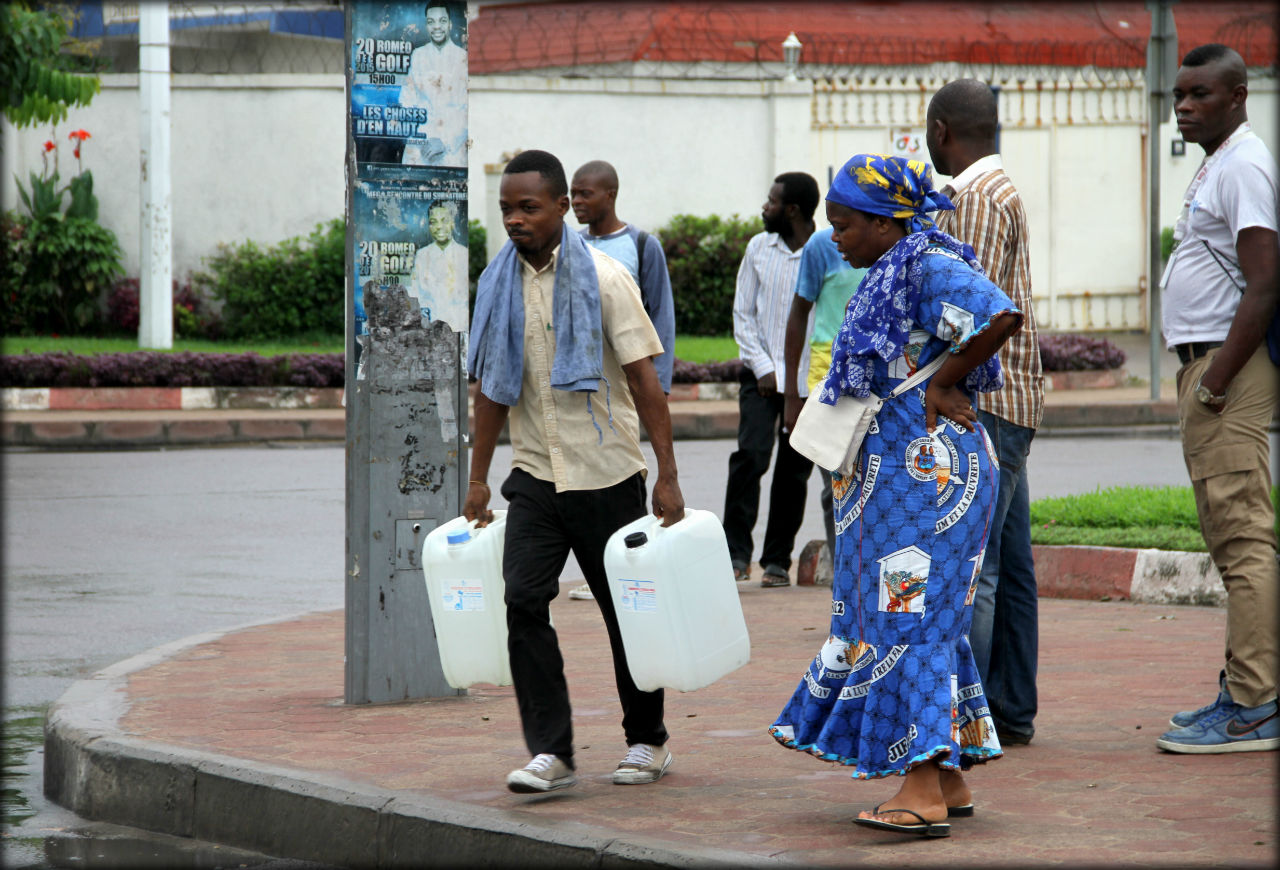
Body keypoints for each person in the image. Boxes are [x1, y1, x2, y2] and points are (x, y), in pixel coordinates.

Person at [769, 154, 1022, 838]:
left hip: (926, 483)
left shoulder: (925, 261)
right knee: (914, 619)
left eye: (845, 223)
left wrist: (945, 385)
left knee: (906, 621)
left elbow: (998, 314)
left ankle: (919, 790)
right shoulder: (896, 266)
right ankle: (946, 775)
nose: (835, 237)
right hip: (896, 483)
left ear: (885, 223)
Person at [465, 150, 686, 793]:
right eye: (506, 208)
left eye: (528, 207)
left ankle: (648, 740)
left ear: (562, 207)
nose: (514, 219)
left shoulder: (608, 278)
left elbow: (647, 382)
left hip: (607, 473)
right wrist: (479, 478)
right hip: (535, 474)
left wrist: (666, 476)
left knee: (627, 615)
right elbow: (491, 394)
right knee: (523, 599)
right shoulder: (495, 284)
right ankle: (551, 751)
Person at [1154, 43, 1280, 755]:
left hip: (1227, 372)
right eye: (1179, 95)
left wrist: (1217, 381)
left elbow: (1265, 281)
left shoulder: (1246, 167)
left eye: (1200, 94)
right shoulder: (1220, 162)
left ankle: (1257, 705)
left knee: (1243, 538)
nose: (1184, 106)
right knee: (1230, 535)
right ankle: (1243, 690)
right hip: (1211, 368)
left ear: (1237, 95)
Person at [926, 78, 1044, 747]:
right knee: (1012, 564)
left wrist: (944, 381)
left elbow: (974, 312)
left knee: (977, 565)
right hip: (1014, 399)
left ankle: (965, 723)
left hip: (985, 401)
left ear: (943, 130)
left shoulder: (971, 196)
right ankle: (1010, 708)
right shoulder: (1001, 189)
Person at [562, 160, 677, 602]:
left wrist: (659, 383)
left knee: (627, 468)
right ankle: (602, 567)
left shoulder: (641, 245)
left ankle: (630, 565)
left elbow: (660, 316)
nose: (577, 202)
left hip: (634, 380)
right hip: (591, 380)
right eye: (573, 194)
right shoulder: (569, 245)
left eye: (586, 194)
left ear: (610, 194)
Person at [724, 172, 819, 588]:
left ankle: (777, 560)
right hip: (760, 377)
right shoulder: (759, 248)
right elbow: (742, 313)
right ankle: (736, 554)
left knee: (793, 469)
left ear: (792, 210)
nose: (765, 207)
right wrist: (762, 366)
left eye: (772, 201)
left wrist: (798, 381)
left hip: (807, 381)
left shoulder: (827, 249)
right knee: (751, 456)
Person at [783, 229, 867, 571]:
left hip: (879, 374)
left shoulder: (897, 238)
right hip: (828, 375)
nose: (838, 235)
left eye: (845, 223)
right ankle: (844, 588)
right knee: (836, 486)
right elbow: (799, 311)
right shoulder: (821, 245)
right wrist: (792, 394)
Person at [399, 3, 467, 167]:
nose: (437, 27)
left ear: (450, 24)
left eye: (442, 21)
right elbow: (406, 102)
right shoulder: (418, 56)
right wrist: (424, 140)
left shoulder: (462, 58)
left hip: (452, 151)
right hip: (420, 149)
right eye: (431, 22)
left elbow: (467, 110)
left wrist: (445, 141)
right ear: (426, 25)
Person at [408, 200, 469, 329]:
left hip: (459, 328)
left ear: (453, 223)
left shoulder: (464, 255)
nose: (439, 227)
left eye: (444, 220)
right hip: (429, 332)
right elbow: (414, 294)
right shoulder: (422, 256)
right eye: (433, 222)